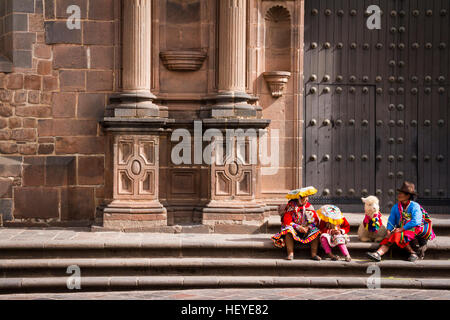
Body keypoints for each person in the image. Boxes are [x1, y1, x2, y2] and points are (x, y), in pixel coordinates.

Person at [367, 181, 436, 262]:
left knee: (397, 234)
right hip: (403, 230)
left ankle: (411, 253)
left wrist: (401, 229)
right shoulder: (396, 207)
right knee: (393, 235)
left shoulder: (415, 206)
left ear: (408, 196)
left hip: (416, 229)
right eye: (399, 193)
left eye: (401, 193)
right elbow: (391, 220)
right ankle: (378, 254)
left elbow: (416, 221)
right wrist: (388, 231)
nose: (399, 195)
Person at [271, 187, 322, 261]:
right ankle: (290, 253)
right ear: (299, 198)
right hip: (294, 230)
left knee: (316, 231)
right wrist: (298, 227)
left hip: (306, 230)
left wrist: (308, 227)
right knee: (288, 230)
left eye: (307, 197)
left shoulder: (309, 207)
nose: (307, 199)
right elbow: (287, 221)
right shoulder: (290, 207)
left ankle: (313, 254)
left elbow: (315, 221)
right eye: (305, 197)